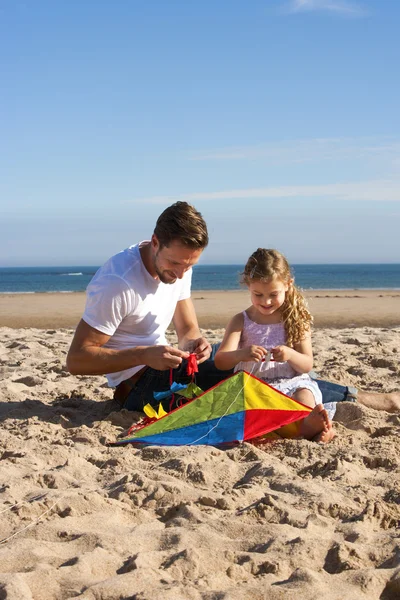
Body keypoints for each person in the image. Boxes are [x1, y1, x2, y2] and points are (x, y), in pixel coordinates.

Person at [67, 202, 400, 416]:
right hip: (136, 385)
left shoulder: (179, 264)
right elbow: (78, 360)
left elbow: (188, 332)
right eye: (176, 263)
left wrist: (193, 345)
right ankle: (360, 400)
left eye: (190, 265)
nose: (182, 273)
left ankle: (355, 396)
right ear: (155, 242)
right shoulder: (117, 282)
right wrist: (144, 355)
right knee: (243, 383)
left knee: (266, 367)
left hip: (170, 362)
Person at [214, 248, 336, 442]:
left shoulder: (295, 319)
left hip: (290, 384)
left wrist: (290, 354)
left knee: (305, 396)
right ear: (248, 286)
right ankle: (305, 431)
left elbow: (306, 365)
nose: (266, 301)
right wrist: (241, 354)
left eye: (273, 294)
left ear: (288, 285)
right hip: (254, 387)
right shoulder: (240, 321)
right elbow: (220, 361)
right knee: (246, 412)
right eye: (258, 294)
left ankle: (308, 426)